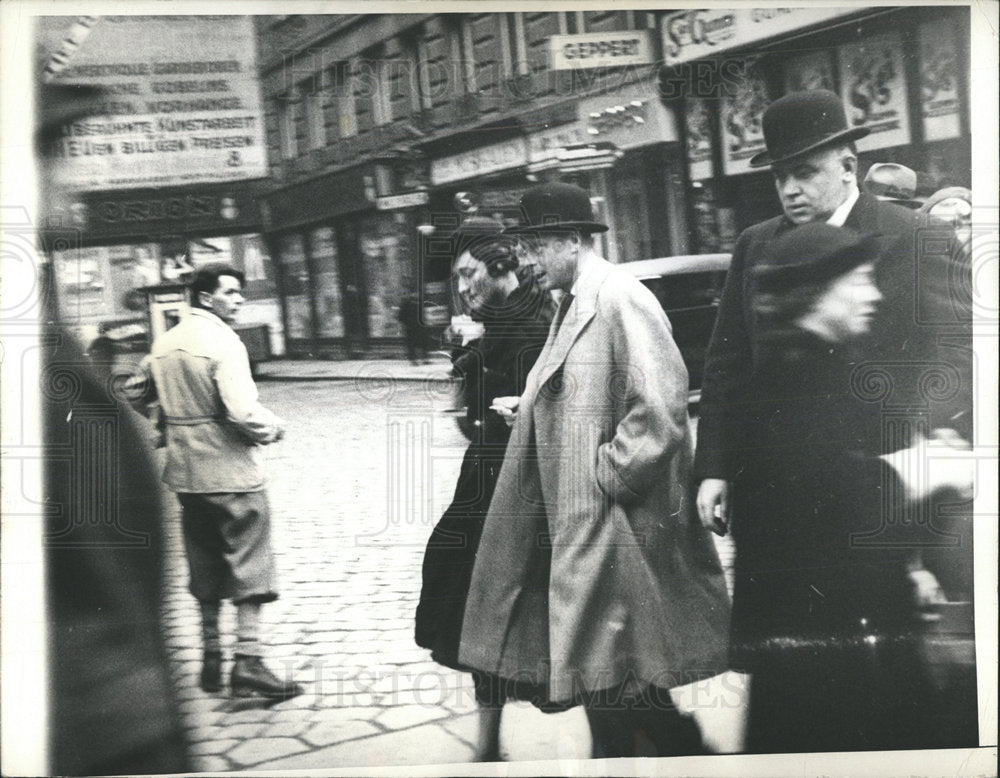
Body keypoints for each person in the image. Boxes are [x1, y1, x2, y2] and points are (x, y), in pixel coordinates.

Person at [458, 183, 731, 759]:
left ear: (573, 241)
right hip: (587, 525)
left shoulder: (618, 298)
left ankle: (685, 756)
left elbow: (659, 406)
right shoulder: (576, 299)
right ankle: (678, 754)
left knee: (611, 675)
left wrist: (606, 477)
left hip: (614, 525)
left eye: (537, 246)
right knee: (608, 674)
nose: (527, 259)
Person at [727, 222, 976, 752]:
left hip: (856, 638)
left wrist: (929, 492)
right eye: (859, 279)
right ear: (817, 294)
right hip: (824, 655)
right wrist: (924, 470)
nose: (875, 293)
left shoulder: (832, 369)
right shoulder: (786, 384)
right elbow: (834, 502)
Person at [695, 90, 972, 546]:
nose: (789, 189)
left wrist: (926, 435)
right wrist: (714, 467)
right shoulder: (756, 245)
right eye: (780, 176)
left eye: (804, 173)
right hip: (784, 483)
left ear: (848, 167)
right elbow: (728, 363)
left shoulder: (920, 238)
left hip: (895, 480)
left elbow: (963, 351)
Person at [415, 216, 555, 760]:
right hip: (488, 483)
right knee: (477, 607)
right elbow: (469, 419)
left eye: (471, 274)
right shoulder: (494, 324)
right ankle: (488, 745)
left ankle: (645, 734)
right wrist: (467, 364)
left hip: (525, 491)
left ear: (502, 269)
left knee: (529, 612)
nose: (464, 287)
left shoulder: (537, 326)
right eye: (459, 277)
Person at [129, 263, 303, 700]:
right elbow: (243, 413)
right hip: (233, 475)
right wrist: (274, 428)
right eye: (231, 292)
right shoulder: (225, 342)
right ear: (207, 298)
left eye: (241, 292)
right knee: (251, 563)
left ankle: (211, 659)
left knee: (204, 564)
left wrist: (166, 424)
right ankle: (248, 662)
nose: (240, 299)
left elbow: (133, 391)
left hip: (187, 479)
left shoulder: (165, 342)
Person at [397, 290, 428, 365]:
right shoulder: (406, 303)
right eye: (414, 293)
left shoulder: (418, 303)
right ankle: (414, 360)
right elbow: (401, 316)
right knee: (413, 343)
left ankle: (423, 359)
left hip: (418, 326)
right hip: (411, 327)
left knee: (421, 342)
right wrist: (405, 324)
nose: (415, 294)